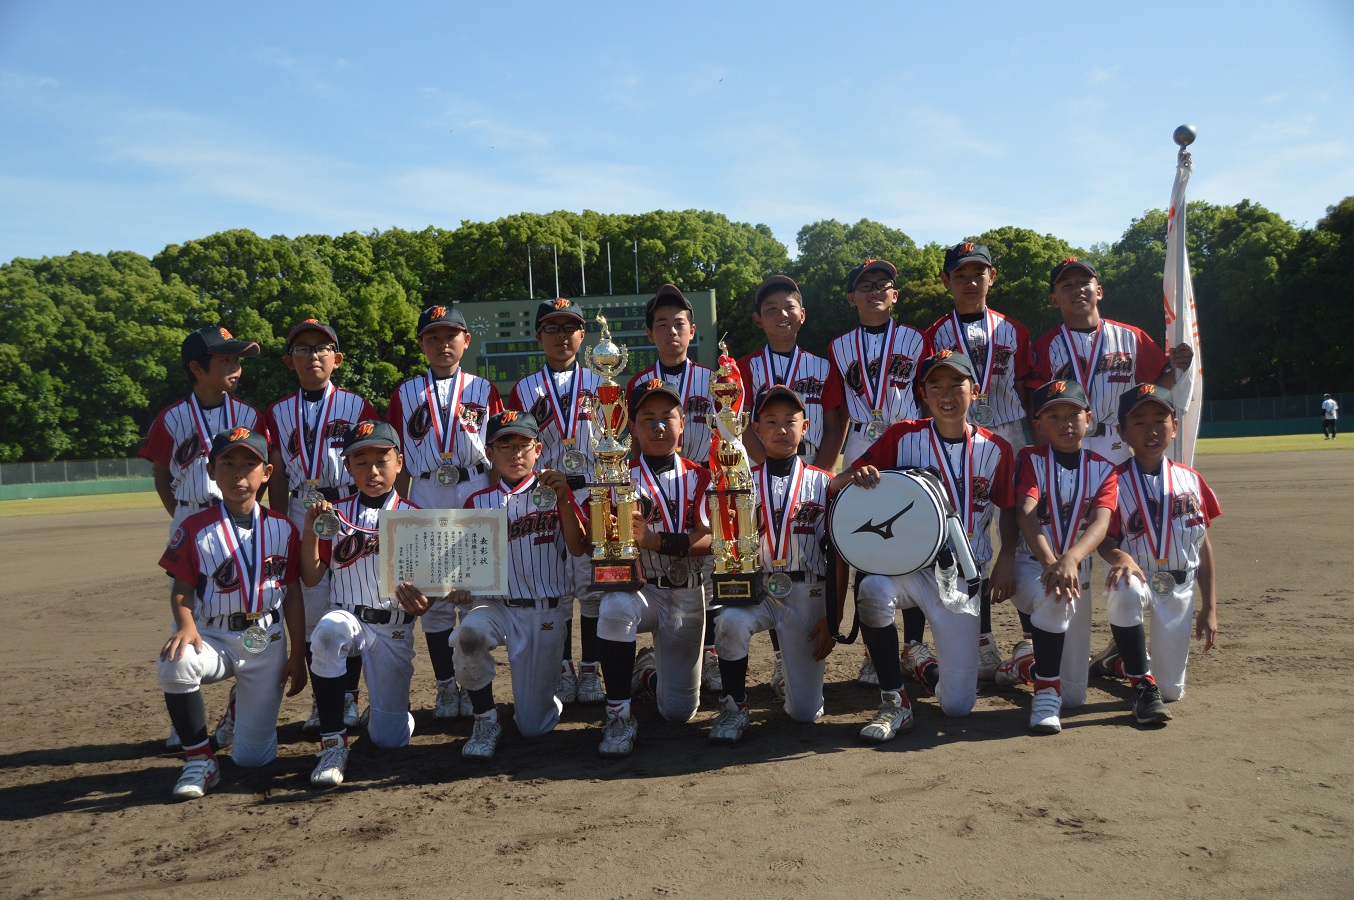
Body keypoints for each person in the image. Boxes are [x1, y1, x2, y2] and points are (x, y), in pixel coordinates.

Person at [830, 351, 1017, 742]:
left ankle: (921, 664)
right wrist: (857, 475)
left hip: (962, 578)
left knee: (957, 706)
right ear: (924, 394)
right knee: (871, 590)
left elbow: (1009, 508)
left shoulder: (997, 448)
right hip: (909, 567)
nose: (946, 395)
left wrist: (1008, 556)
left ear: (975, 390)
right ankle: (894, 700)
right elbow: (838, 483)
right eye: (936, 386)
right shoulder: (903, 436)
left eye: (956, 385)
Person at [156, 426, 307, 799]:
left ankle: (238, 711)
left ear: (266, 473)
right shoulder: (194, 528)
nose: (239, 474)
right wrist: (186, 626)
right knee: (176, 661)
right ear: (211, 470)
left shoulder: (284, 529)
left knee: (253, 759)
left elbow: (292, 595)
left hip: (265, 639)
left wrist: (297, 654)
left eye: (249, 465)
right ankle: (199, 759)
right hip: (214, 635)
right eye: (228, 464)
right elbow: (182, 588)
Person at [140, 325, 266, 749]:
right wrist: (184, 519)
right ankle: (186, 718)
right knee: (188, 613)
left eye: (237, 360)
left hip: (241, 515)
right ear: (197, 368)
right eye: (225, 360)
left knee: (248, 607)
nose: (236, 367)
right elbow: (161, 475)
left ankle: (238, 705)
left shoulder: (249, 416)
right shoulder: (171, 417)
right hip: (193, 515)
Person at [449, 411, 589, 760]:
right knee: (468, 636)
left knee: (533, 727)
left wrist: (563, 499)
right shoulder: (477, 502)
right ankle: (485, 719)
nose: (515, 453)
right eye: (505, 445)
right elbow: (463, 566)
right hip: (495, 607)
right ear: (489, 453)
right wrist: (459, 586)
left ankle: (544, 699)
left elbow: (578, 547)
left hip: (543, 611)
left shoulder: (556, 491)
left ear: (538, 449)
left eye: (523, 445)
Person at [924, 241, 1035, 679]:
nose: (970, 282)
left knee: (1022, 524)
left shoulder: (1013, 329)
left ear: (992, 277)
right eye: (961, 275)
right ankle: (983, 638)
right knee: (967, 526)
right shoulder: (935, 334)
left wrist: (1033, 443)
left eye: (979, 273)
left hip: (1008, 428)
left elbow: (1024, 386)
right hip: (959, 432)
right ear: (946, 280)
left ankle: (1030, 636)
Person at [387, 304, 503, 722]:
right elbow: (397, 458)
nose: (442, 344)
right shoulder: (405, 393)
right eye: (432, 337)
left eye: (450, 335)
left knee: (473, 595)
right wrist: (398, 509)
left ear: (466, 340)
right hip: (426, 490)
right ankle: (443, 686)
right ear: (421, 344)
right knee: (433, 599)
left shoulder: (484, 389)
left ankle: (474, 687)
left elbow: (498, 450)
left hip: (474, 484)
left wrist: (494, 500)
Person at [300, 421, 430, 787]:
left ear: (399, 463)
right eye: (361, 462)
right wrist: (310, 529)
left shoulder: (418, 517)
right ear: (348, 467)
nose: (372, 470)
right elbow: (311, 577)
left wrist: (424, 603)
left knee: (390, 740)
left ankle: (391, 714)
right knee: (327, 633)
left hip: (393, 629)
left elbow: (428, 593)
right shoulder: (333, 515)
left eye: (381, 460)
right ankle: (332, 743)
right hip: (348, 618)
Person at [735, 275, 846, 698]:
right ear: (758, 319)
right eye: (771, 309)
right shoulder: (744, 367)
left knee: (808, 558)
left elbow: (835, 422)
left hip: (810, 473)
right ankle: (781, 657)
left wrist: (817, 472)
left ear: (802, 315)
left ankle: (798, 653)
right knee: (769, 558)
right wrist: (766, 468)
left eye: (789, 307)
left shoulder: (822, 366)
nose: (781, 315)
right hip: (761, 474)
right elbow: (740, 423)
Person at [266, 319, 378, 737]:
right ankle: (323, 697)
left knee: (351, 599)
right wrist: (281, 523)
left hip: (347, 503)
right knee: (313, 607)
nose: (312, 355)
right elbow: (277, 471)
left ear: (337, 358)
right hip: (302, 505)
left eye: (321, 348)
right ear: (289, 360)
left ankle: (348, 695)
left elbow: (373, 457)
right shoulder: (277, 411)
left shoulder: (356, 405)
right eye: (303, 348)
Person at [709, 386, 835, 744]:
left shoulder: (824, 483)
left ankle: (790, 679)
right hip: (758, 588)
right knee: (730, 622)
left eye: (790, 421)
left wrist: (833, 617)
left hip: (808, 590)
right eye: (771, 421)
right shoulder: (741, 482)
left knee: (805, 713)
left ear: (805, 427)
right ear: (756, 429)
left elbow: (838, 556)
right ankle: (734, 705)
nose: (781, 429)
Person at [593, 379, 712, 757]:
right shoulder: (617, 476)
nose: (659, 426)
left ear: (682, 423)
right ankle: (618, 714)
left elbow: (712, 538)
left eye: (667, 417)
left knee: (678, 712)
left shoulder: (701, 475)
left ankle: (646, 670)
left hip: (687, 592)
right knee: (614, 607)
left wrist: (657, 541)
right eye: (647, 419)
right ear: (632, 426)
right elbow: (594, 540)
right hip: (641, 590)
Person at [1092, 384, 1221, 723]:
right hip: (1139, 576)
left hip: (1179, 586)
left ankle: (1118, 661)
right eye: (1139, 422)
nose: (1151, 430)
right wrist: (1120, 557)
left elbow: (1203, 544)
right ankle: (1139, 681)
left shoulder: (1190, 479)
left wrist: (1209, 607)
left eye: (1159, 421)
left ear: (1174, 426)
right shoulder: (1113, 481)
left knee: (1171, 692)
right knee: (1124, 588)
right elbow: (1104, 539)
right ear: (1123, 432)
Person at [827, 260, 928, 688]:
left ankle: (914, 644)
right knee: (865, 545)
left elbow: (927, 392)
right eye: (864, 285)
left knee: (915, 539)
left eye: (883, 284)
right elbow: (835, 410)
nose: (874, 291)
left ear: (895, 294)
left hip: (907, 440)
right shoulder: (837, 347)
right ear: (851, 297)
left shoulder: (916, 339)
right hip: (861, 443)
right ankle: (874, 651)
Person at [999, 381, 1119, 734]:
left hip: (1077, 574)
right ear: (1038, 424)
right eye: (1053, 416)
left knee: (1076, 698)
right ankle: (1045, 695)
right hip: (1032, 568)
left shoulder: (1105, 468)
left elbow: (1100, 523)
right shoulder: (1030, 459)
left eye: (1073, 414)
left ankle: (1025, 664)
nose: (1065, 422)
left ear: (1088, 418)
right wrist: (1053, 563)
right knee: (1053, 597)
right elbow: (1025, 513)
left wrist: (1071, 559)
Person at [624, 284, 722, 693]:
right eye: (661, 324)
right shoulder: (638, 382)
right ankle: (649, 656)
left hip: (700, 482)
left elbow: (728, 438)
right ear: (650, 333)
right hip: (654, 484)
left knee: (708, 576)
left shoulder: (715, 379)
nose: (671, 332)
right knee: (651, 577)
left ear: (692, 330)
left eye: (679, 323)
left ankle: (710, 654)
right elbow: (633, 443)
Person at [508, 298, 605, 706]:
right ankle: (564, 669)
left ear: (583, 335)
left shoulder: (602, 382)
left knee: (594, 588)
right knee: (557, 585)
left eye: (569, 328)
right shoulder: (524, 388)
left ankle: (591, 669)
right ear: (538, 336)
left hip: (593, 491)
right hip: (546, 495)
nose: (561, 336)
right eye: (552, 328)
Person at [1028, 258, 1193, 466]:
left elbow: (1155, 389)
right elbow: (1034, 405)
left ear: (1099, 291)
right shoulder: (1044, 346)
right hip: (1064, 442)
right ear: (1053, 299)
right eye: (1067, 285)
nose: (1077, 289)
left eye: (1084, 282)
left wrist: (1179, 367)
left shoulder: (1132, 337)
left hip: (1115, 440)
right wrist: (1044, 453)